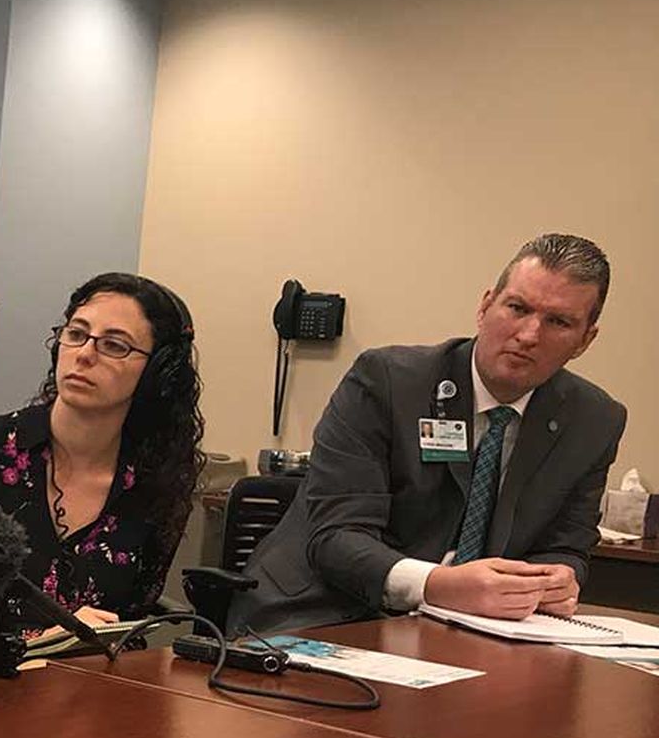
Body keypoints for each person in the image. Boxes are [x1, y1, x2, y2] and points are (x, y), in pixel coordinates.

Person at [233, 233, 625, 635]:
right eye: (517, 308)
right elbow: (336, 537)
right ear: (485, 306)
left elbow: (566, 545)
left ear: (585, 340)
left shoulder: (595, 420)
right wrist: (439, 586)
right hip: (319, 612)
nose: (528, 335)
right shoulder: (386, 381)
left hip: (467, 631)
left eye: (558, 322)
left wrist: (558, 579)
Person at [0, 273, 206, 684]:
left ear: (156, 373)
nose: (84, 354)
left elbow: (131, 615)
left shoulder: (156, 482)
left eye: (114, 345)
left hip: (79, 679)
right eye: (76, 334)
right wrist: (39, 643)